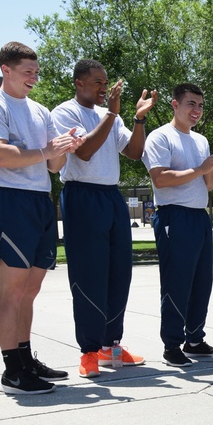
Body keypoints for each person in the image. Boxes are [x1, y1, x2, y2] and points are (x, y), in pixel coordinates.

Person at [0, 42, 81, 395]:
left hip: (40, 201)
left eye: (36, 70)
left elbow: (52, 165)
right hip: (8, 202)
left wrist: (63, 149)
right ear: (6, 69)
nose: (34, 76)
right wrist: (47, 150)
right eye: (27, 71)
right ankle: (12, 371)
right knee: (12, 289)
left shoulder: (40, 111)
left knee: (30, 290)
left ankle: (25, 357)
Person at [51, 59, 156, 378]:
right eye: (97, 82)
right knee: (88, 275)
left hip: (111, 196)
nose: (104, 88)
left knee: (118, 273)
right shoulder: (64, 113)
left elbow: (134, 153)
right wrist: (111, 113)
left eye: (105, 81)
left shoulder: (109, 115)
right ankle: (88, 352)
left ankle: (111, 346)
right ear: (79, 83)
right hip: (82, 195)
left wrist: (137, 119)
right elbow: (83, 152)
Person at [143, 82, 213, 366]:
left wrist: (212, 168)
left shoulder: (201, 140)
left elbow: (208, 184)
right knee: (176, 283)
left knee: (201, 282)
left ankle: (195, 339)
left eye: (201, 105)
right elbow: (160, 178)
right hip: (174, 216)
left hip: (199, 217)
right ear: (175, 105)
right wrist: (202, 168)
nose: (197, 110)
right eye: (191, 104)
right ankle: (171, 346)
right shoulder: (160, 137)